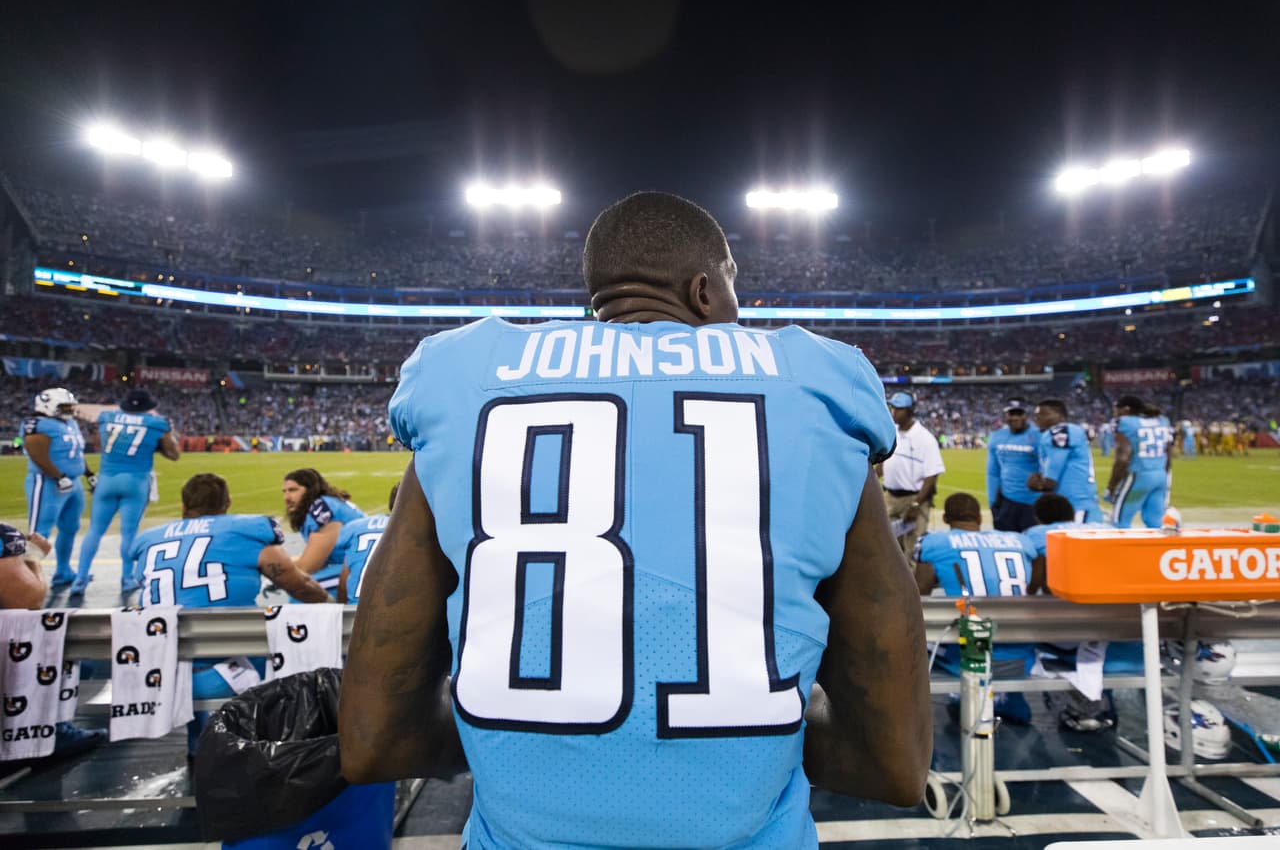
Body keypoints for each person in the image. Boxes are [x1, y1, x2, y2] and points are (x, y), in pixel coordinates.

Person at [340, 191, 931, 848]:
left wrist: (525, 733)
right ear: (706, 290)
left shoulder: (463, 377)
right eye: (736, 285)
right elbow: (894, 759)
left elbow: (374, 740)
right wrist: (745, 729)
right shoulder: (821, 384)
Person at [132, 473, 330, 755]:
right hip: (224, 672)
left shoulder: (148, 541)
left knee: (195, 649)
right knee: (293, 644)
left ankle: (200, 747)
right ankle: (279, 748)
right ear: (227, 502)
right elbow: (301, 586)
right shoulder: (246, 531)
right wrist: (329, 600)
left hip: (155, 672)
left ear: (184, 506)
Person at [914, 492, 1039, 723]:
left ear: (946, 519)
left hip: (969, 657)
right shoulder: (1020, 541)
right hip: (1020, 659)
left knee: (929, 637)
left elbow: (919, 594)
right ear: (979, 519)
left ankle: (963, 701)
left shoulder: (935, 543)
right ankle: (1009, 699)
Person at [1, 522, 107, 755]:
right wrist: (33, 556)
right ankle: (49, 732)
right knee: (78, 660)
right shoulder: (4, 538)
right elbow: (26, 599)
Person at [71, 389, 181, 596]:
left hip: (107, 479)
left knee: (95, 530)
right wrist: (160, 441)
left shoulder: (106, 418)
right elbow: (174, 454)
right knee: (129, 532)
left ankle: (80, 578)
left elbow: (98, 441)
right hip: (135, 481)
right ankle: (127, 578)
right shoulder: (157, 423)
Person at [22, 387, 88, 590]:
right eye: (64, 406)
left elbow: (76, 454)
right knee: (39, 533)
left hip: (72, 482)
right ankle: (28, 579)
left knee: (70, 528)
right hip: (47, 483)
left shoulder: (70, 423)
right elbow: (36, 454)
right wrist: (57, 476)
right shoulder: (37, 424)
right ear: (48, 405)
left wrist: (89, 474)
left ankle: (63, 570)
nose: (68, 410)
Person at [281, 468, 364, 599]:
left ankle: (334, 618)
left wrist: (278, 575)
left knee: (302, 590)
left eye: (293, 490)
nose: (287, 497)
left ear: (310, 490)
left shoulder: (321, 509)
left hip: (363, 567)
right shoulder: (327, 503)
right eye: (284, 491)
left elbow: (308, 567)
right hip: (360, 563)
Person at [879, 390, 945, 556]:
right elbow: (883, 462)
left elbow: (931, 478)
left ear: (910, 411)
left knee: (913, 549)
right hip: (890, 498)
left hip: (914, 499)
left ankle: (914, 582)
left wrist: (916, 505)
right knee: (889, 548)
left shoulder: (925, 438)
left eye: (898, 409)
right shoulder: (891, 431)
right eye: (892, 407)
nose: (893, 412)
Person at [1027, 398, 1102, 523]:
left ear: (1060, 415)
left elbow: (1050, 482)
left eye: (1043, 414)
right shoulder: (1070, 430)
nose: (1038, 419)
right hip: (1076, 503)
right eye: (1036, 415)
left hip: (1075, 506)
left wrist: (1037, 484)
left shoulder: (1060, 431)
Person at [1105, 395, 1173, 528]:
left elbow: (1123, 458)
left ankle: (1121, 550)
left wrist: (1111, 486)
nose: (1115, 413)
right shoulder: (1162, 420)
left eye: (1117, 409)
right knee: (1155, 522)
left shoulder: (1125, 422)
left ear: (1125, 409)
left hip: (1139, 475)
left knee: (1119, 522)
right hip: (1160, 475)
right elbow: (1168, 453)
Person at [985, 397, 1040, 532]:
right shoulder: (997, 436)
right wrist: (992, 502)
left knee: (1034, 547)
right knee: (1007, 545)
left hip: (1033, 502)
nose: (1015, 417)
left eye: (1019, 413)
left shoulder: (1039, 436)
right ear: (1005, 415)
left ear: (1026, 415)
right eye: (1011, 413)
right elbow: (993, 472)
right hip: (1006, 501)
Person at [336, 484, 397, 604]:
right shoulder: (421, 531)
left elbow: (344, 578)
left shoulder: (355, 526)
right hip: (393, 615)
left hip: (354, 612)